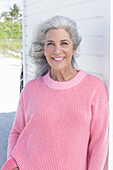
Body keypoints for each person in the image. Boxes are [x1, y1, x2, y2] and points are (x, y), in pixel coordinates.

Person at [2, 16, 109, 170]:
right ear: (44, 50)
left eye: (64, 43)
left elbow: (99, 143)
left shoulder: (93, 87)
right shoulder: (31, 89)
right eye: (50, 44)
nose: (57, 50)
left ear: (74, 48)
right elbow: (17, 132)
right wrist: (13, 162)